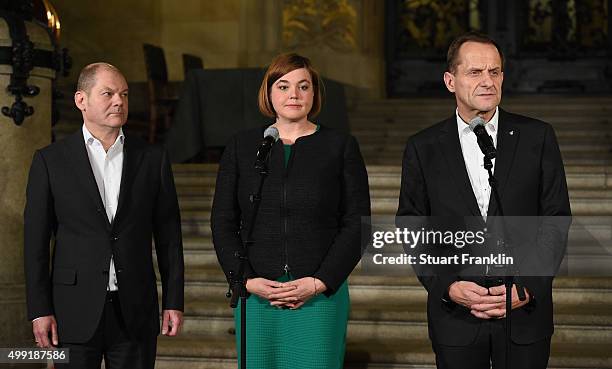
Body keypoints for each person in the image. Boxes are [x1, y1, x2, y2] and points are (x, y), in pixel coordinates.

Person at [397, 32, 571, 369]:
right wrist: (447, 285)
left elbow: (555, 218)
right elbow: (412, 225)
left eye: (495, 72)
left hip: (524, 312)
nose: (487, 81)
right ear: (451, 81)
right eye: (475, 72)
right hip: (457, 315)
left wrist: (527, 287)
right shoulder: (423, 147)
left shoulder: (538, 137)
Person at [211, 53, 370, 369]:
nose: (294, 95)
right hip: (257, 295)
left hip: (319, 296)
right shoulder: (243, 146)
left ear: (315, 94)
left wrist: (320, 282)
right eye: (283, 86)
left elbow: (357, 224)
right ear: (269, 93)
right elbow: (223, 221)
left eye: (303, 86)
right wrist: (246, 280)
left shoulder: (340, 146)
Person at [24, 62, 185, 369]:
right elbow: (35, 244)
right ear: (81, 100)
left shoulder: (152, 159)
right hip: (72, 311)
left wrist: (174, 301)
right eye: (108, 93)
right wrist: (39, 310)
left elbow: (169, 238)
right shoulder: (50, 161)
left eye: (124, 94)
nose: (119, 101)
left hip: (136, 309)